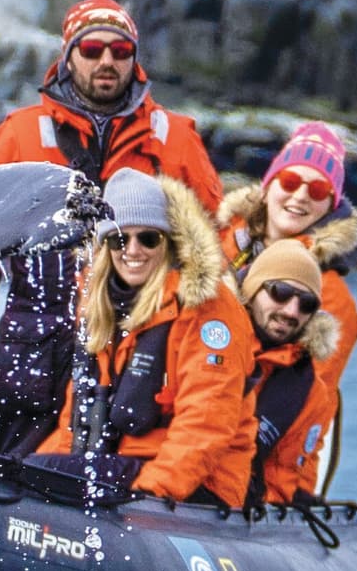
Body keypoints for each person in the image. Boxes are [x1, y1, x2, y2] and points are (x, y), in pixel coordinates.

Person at [0, 0, 228, 417]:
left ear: (134, 59)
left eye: (120, 51)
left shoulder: (175, 139)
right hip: (31, 342)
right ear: (68, 55)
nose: (107, 61)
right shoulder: (18, 135)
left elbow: (215, 246)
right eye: (92, 49)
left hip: (139, 343)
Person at [36, 168, 256, 506]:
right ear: (105, 246)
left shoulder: (207, 308)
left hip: (196, 485)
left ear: (167, 243)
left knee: (40, 472)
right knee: (29, 471)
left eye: (148, 238)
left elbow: (206, 423)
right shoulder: (101, 309)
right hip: (121, 467)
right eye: (119, 239)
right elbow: (73, 425)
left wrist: (149, 495)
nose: (133, 250)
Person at [217, 117, 357, 409]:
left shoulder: (333, 297)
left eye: (319, 190)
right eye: (290, 181)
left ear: (330, 206)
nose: (300, 196)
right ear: (269, 185)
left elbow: (313, 403)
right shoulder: (219, 239)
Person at [235, 240, 343, 506]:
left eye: (306, 303)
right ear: (251, 290)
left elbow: (281, 476)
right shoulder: (210, 342)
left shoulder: (311, 392)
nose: (291, 311)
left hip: (235, 512)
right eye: (280, 292)